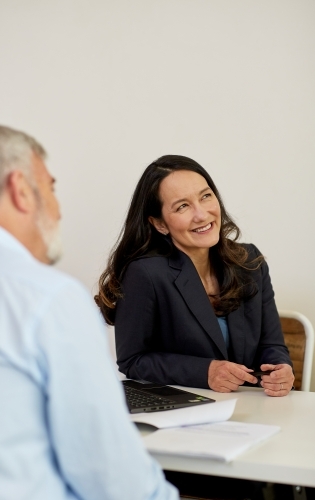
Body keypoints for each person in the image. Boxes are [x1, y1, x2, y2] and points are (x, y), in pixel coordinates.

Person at [0, 126, 178, 500]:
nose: (59, 209)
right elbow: (112, 478)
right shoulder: (48, 298)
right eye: (51, 188)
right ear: (20, 190)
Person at [96, 155, 295, 397]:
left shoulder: (249, 261)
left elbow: (271, 344)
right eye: (182, 206)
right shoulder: (145, 274)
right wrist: (205, 372)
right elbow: (133, 360)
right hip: (184, 411)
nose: (201, 214)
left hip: (250, 408)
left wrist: (280, 368)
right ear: (159, 223)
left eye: (205, 196)